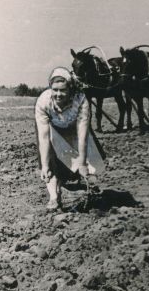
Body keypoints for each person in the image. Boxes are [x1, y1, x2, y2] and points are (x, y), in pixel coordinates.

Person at [35, 67, 106, 211]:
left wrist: (82, 163)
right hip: (53, 128)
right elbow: (43, 136)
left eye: (63, 90)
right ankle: (54, 197)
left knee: (87, 161)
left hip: (74, 128)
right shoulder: (43, 101)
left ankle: (84, 184)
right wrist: (45, 165)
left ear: (70, 89)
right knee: (51, 162)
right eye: (55, 90)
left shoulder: (81, 100)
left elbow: (82, 133)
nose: (58, 94)